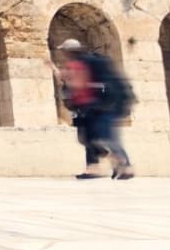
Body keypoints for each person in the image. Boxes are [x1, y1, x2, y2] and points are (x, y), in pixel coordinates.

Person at [48, 38, 135, 180]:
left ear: (68, 51)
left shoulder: (79, 64)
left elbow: (76, 83)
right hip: (101, 105)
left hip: (93, 106)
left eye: (64, 51)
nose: (63, 53)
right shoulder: (90, 61)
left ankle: (117, 165)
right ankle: (104, 167)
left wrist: (69, 86)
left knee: (95, 138)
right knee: (99, 137)